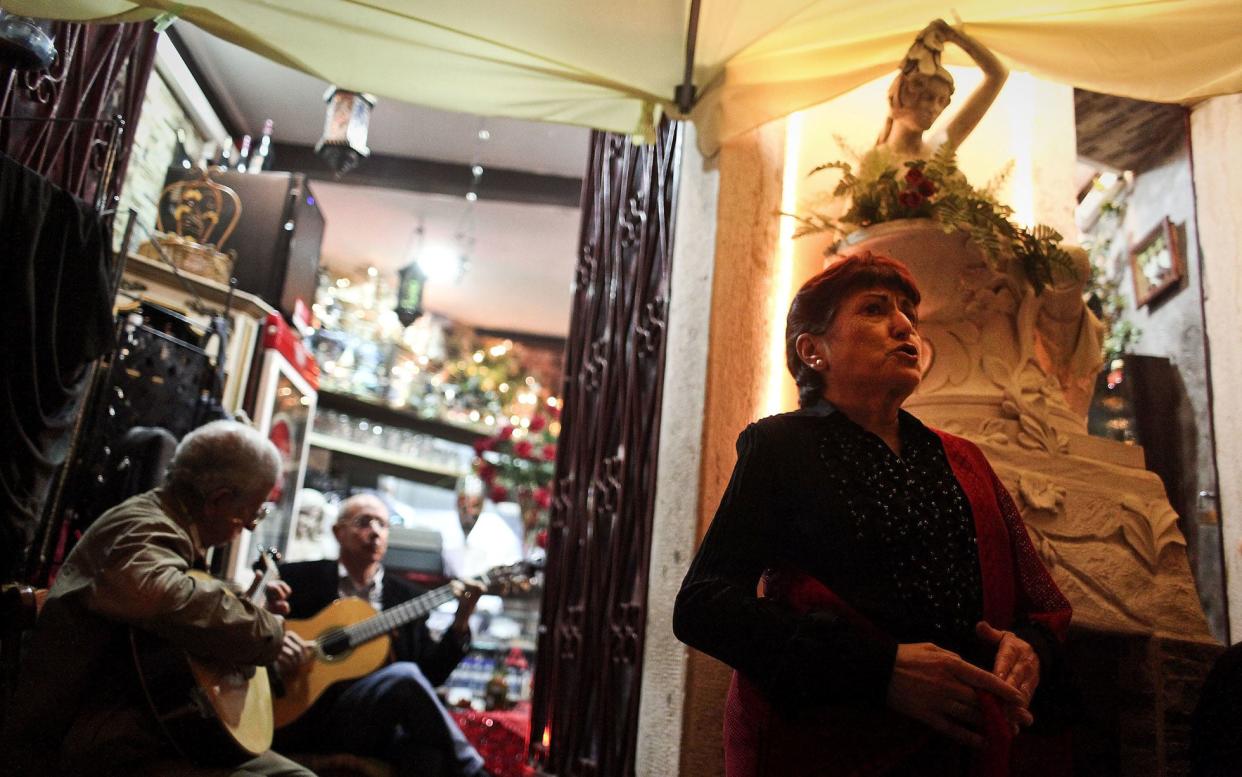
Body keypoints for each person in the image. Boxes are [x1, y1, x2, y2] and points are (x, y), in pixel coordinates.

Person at [672, 253, 1072, 777]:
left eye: (909, 312)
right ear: (813, 350)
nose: (905, 325)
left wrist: (1031, 648)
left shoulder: (963, 458)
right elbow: (703, 604)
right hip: (825, 747)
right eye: (875, 309)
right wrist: (881, 671)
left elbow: (1040, 605)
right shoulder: (779, 446)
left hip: (957, 754)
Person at [0, 420, 313, 777]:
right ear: (219, 501)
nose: (247, 527)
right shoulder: (146, 525)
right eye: (253, 515)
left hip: (137, 726)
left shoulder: (167, 523)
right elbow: (155, 591)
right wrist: (264, 629)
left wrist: (244, 606)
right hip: (86, 743)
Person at [274, 492, 491, 777]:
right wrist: (277, 642)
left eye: (382, 524)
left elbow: (431, 674)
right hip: (303, 711)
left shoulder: (406, 599)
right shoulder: (296, 578)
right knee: (404, 675)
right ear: (338, 532)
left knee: (428, 752)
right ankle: (476, 772)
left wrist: (461, 620)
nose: (375, 532)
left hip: (370, 723)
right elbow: (259, 629)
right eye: (364, 522)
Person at [875, 19, 1008, 164]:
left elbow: (997, 75)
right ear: (902, 95)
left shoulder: (937, 151)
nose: (934, 108)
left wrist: (954, 36)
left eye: (941, 101)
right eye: (928, 97)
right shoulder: (873, 164)